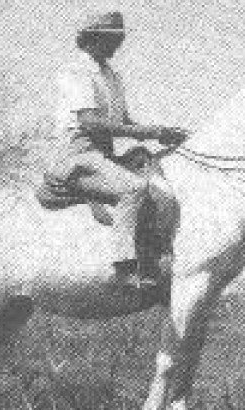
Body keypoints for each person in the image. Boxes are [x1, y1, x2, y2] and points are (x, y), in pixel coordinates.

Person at [46, 11, 186, 288]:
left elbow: (123, 122)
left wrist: (161, 134)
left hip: (103, 154)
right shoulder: (75, 71)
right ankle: (124, 268)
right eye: (112, 40)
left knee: (159, 184)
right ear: (92, 39)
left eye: (119, 39)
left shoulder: (112, 76)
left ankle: (156, 254)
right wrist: (149, 132)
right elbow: (90, 122)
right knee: (132, 188)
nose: (117, 46)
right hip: (77, 155)